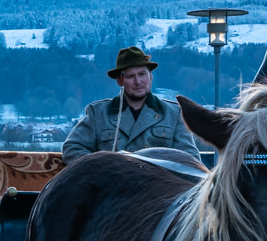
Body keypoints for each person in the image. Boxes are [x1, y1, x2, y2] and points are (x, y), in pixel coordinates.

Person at [60, 45, 199, 162]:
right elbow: (72, 148)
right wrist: (102, 168)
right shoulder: (98, 113)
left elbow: (191, 159)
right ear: (119, 81)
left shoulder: (174, 114)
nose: (138, 81)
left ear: (151, 76)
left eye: (142, 74)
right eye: (130, 76)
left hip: (159, 185)